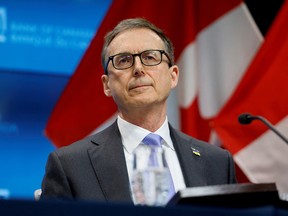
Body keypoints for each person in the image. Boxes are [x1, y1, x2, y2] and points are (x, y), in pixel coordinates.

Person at [40, 18, 237, 204]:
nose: (138, 68)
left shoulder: (217, 162)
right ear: (106, 84)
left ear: (173, 76)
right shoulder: (70, 165)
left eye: (150, 57)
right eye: (124, 60)